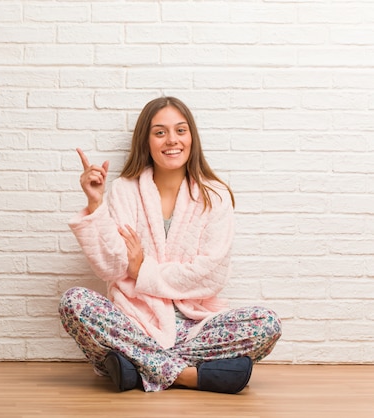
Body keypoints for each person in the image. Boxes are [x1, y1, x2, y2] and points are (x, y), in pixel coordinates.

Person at [59, 97, 282, 394]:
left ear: (192, 137)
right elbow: (112, 267)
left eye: (180, 130)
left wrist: (143, 272)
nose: (172, 140)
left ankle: (135, 369)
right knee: (74, 301)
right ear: (146, 141)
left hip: (194, 326)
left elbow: (209, 274)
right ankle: (188, 375)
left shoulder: (214, 195)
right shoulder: (125, 190)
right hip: (135, 321)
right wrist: (96, 203)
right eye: (160, 132)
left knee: (267, 323)